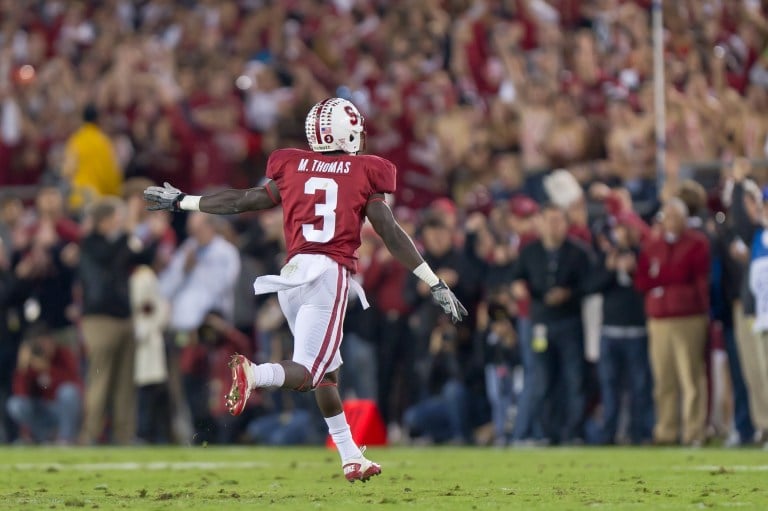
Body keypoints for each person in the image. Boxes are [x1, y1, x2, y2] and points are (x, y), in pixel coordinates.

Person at [144, 97, 467, 482]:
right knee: (312, 371)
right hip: (327, 275)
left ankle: (350, 457)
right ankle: (256, 374)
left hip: (292, 275)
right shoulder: (365, 171)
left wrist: (184, 201)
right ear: (348, 133)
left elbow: (243, 200)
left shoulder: (292, 164)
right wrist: (433, 281)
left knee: (326, 374)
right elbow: (390, 232)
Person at [635, 198, 710, 446]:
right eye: (668, 216)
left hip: (688, 317)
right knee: (663, 379)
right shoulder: (653, 246)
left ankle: (693, 432)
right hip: (659, 319)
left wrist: (663, 279)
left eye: (677, 216)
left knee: (691, 378)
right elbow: (642, 280)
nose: (672, 222)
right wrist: (667, 280)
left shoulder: (697, 243)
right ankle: (666, 431)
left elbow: (687, 274)